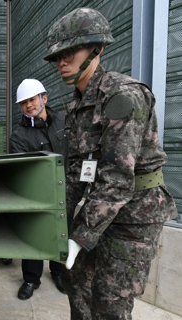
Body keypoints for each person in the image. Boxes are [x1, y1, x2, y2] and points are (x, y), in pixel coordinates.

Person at [44, 7, 177, 319]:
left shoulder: (122, 95)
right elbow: (78, 172)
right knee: (75, 283)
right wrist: (61, 224)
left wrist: (80, 235)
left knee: (109, 303)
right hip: (97, 208)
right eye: (57, 56)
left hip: (133, 216)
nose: (62, 62)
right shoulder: (78, 104)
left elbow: (117, 180)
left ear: (97, 49)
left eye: (71, 52)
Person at [9, 78, 69, 300]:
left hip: (66, 192)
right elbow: (22, 171)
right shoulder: (19, 136)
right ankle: (31, 279)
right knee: (33, 235)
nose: (28, 105)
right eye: (23, 102)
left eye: (32, 99)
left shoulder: (64, 121)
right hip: (37, 195)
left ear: (44, 98)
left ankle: (59, 272)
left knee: (61, 234)